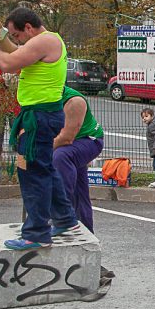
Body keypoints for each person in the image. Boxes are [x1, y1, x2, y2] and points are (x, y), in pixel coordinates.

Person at [0, 7, 78, 251]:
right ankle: (65, 218)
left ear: (28, 28)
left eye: (16, 34)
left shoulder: (44, 41)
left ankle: (37, 233)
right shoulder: (47, 41)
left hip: (39, 118)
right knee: (43, 167)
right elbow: (16, 53)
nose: (16, 40)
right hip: (42, 115)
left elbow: (8, 63)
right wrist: (2, 35)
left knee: (32, 173)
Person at [53, 85, 104, 236]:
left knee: (60, 157)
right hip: (70, 143)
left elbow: (66, 138)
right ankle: (86, 232)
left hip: (88, 140)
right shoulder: (40, 97)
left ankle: (62, 214)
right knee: (79, 187)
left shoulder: (74, 101)